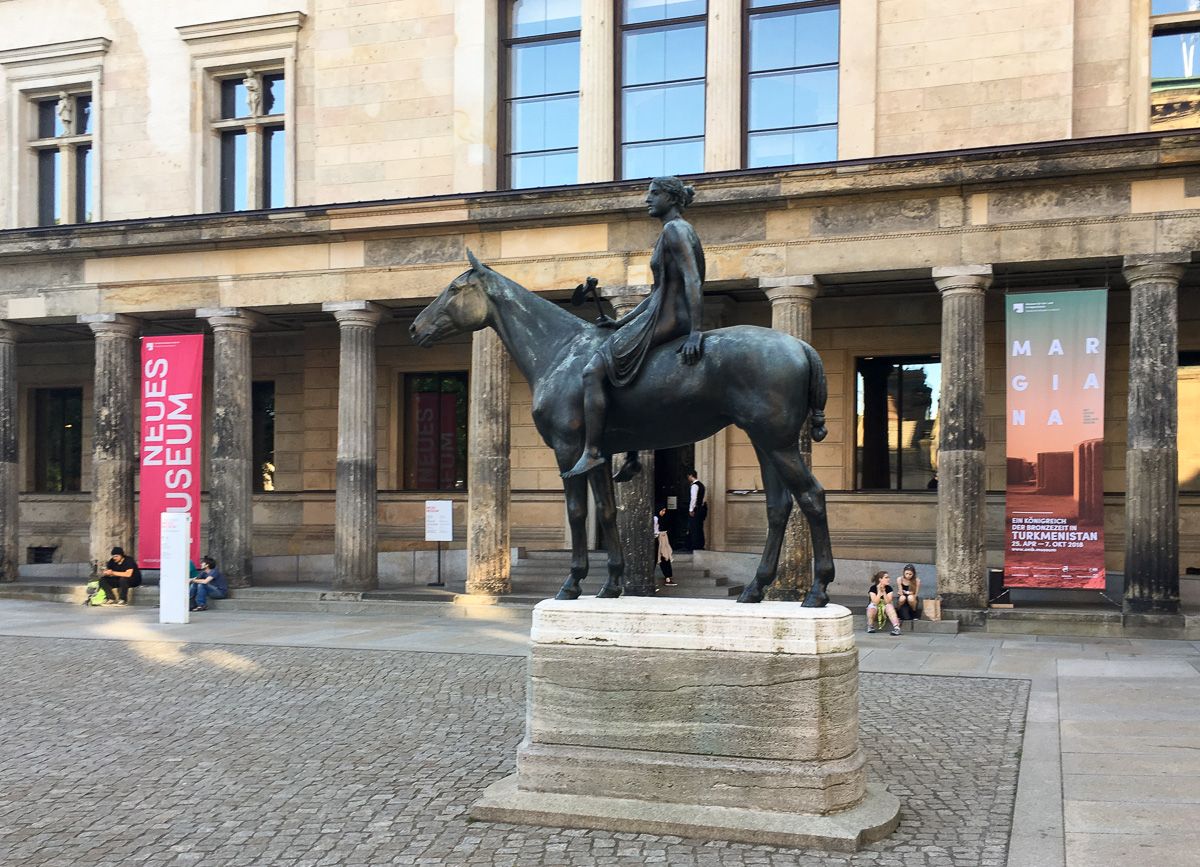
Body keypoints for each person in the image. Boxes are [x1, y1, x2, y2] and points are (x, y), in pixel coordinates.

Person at [564, 176, 705, 480]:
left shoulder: (675, 230)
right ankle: (631, 455)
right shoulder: (674, 231)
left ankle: (592, 452)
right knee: (626, 369)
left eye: (654, 194)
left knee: (593, 372)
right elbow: (657, 293)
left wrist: (696, 330)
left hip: (669, 319)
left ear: (671, 198)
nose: (647, 199)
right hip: (662, 313)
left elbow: (693, 280)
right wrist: (621, 321)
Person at [867, 570, 901, 636]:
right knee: (872, 605)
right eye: (886, 577)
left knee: (889, 606)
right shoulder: (873, 588)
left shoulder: (889, 589)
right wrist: (879, 592)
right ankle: (870, 626)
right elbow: (875, 602)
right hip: (875, 613)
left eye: (888, 577)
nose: (888, 579)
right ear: (880, 579)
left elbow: (888, 602)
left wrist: (884, 591)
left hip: (887, 613)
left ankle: (897, 628)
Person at [654, 505, 676, 586]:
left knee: (664, 558)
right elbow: (655, 530)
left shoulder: (662, 519)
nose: (664, 513)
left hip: (662, 539)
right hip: (658, 540)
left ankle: (668, 578)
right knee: (657, 558)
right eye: (662, 511)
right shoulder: (655, 518)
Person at [687, 470, 707, 551]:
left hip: (696, 509)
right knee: (699, 527)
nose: (688, 478)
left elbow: (693, 498)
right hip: (700, 508)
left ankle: (695, 544)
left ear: (691, 476)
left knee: (694, 527)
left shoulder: (694, 486)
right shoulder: (701, 485)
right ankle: (699, 544)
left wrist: (691, 509)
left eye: (688, 476)